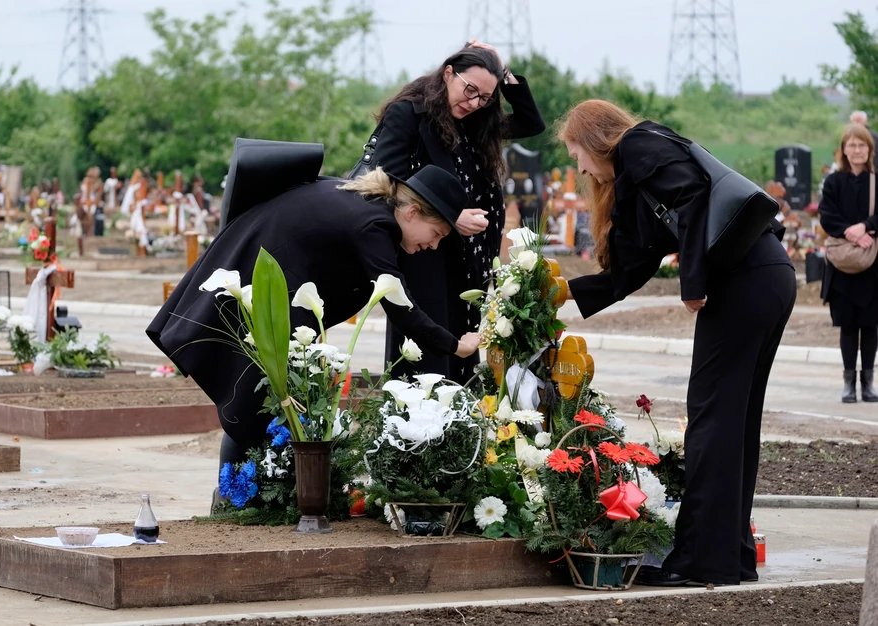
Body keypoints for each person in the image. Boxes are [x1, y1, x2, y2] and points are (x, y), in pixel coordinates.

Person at [558, 100, 796, 586]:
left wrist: (693, 283)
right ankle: (730, 554)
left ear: (595, 138)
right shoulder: (635, 179)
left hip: (745, 280)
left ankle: (703, 560)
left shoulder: (639, 144)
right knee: (733, 422)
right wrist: (562, 292)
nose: (578, 167)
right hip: (763, 275)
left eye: (576, 153)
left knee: (711, 420)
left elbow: (692, 201)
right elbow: (632, 266)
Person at [146, 165, 481, 487]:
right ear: (412, 213)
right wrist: (456, 345)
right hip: (262, 289)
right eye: (435, 234)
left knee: (260, 401)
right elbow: (402, 309)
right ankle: (238, 495)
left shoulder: (366, 202)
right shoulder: (377, 226)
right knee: (255, 401)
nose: (433, 245)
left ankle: (246, 493)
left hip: (260, 274)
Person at [358, 41, 545, 382]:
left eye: (485, 97)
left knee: (464, 358)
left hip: (471, 259)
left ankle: (456, 432)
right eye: (469, 89)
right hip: (425, 253)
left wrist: (502, 74)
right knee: (427, 359)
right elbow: (386, 176)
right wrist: (450, 214)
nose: (473, 103)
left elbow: (531, 124)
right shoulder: (410, 113)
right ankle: (418, 433)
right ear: (448, 73)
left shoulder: (477, 120)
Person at [819, 124, 878, 403]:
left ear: (869, 150)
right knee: (847, 325)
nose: (857, 150)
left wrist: (866, 226)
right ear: (844, 149)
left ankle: (868, 384)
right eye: (852, 145)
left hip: (872, 263)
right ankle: (848, 384)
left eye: (862, 145)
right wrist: (851, 231)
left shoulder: (876, 180)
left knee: (870, 325)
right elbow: (826, 217)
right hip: (843, 264)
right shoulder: (833, 182)